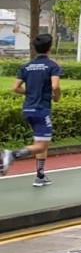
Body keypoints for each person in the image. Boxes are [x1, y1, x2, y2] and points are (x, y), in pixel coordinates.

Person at [1, 33, 62, 187]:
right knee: (41, 145)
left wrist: (30, 93)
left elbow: (15, 88)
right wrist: (56, 97)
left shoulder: (26, 66)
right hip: (42, 110)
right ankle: (12, 154)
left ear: (34, 48)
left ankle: (40, 176)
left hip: (28, 109)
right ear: (50, 48)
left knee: (40, 141)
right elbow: (55, 86)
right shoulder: (53, 66)